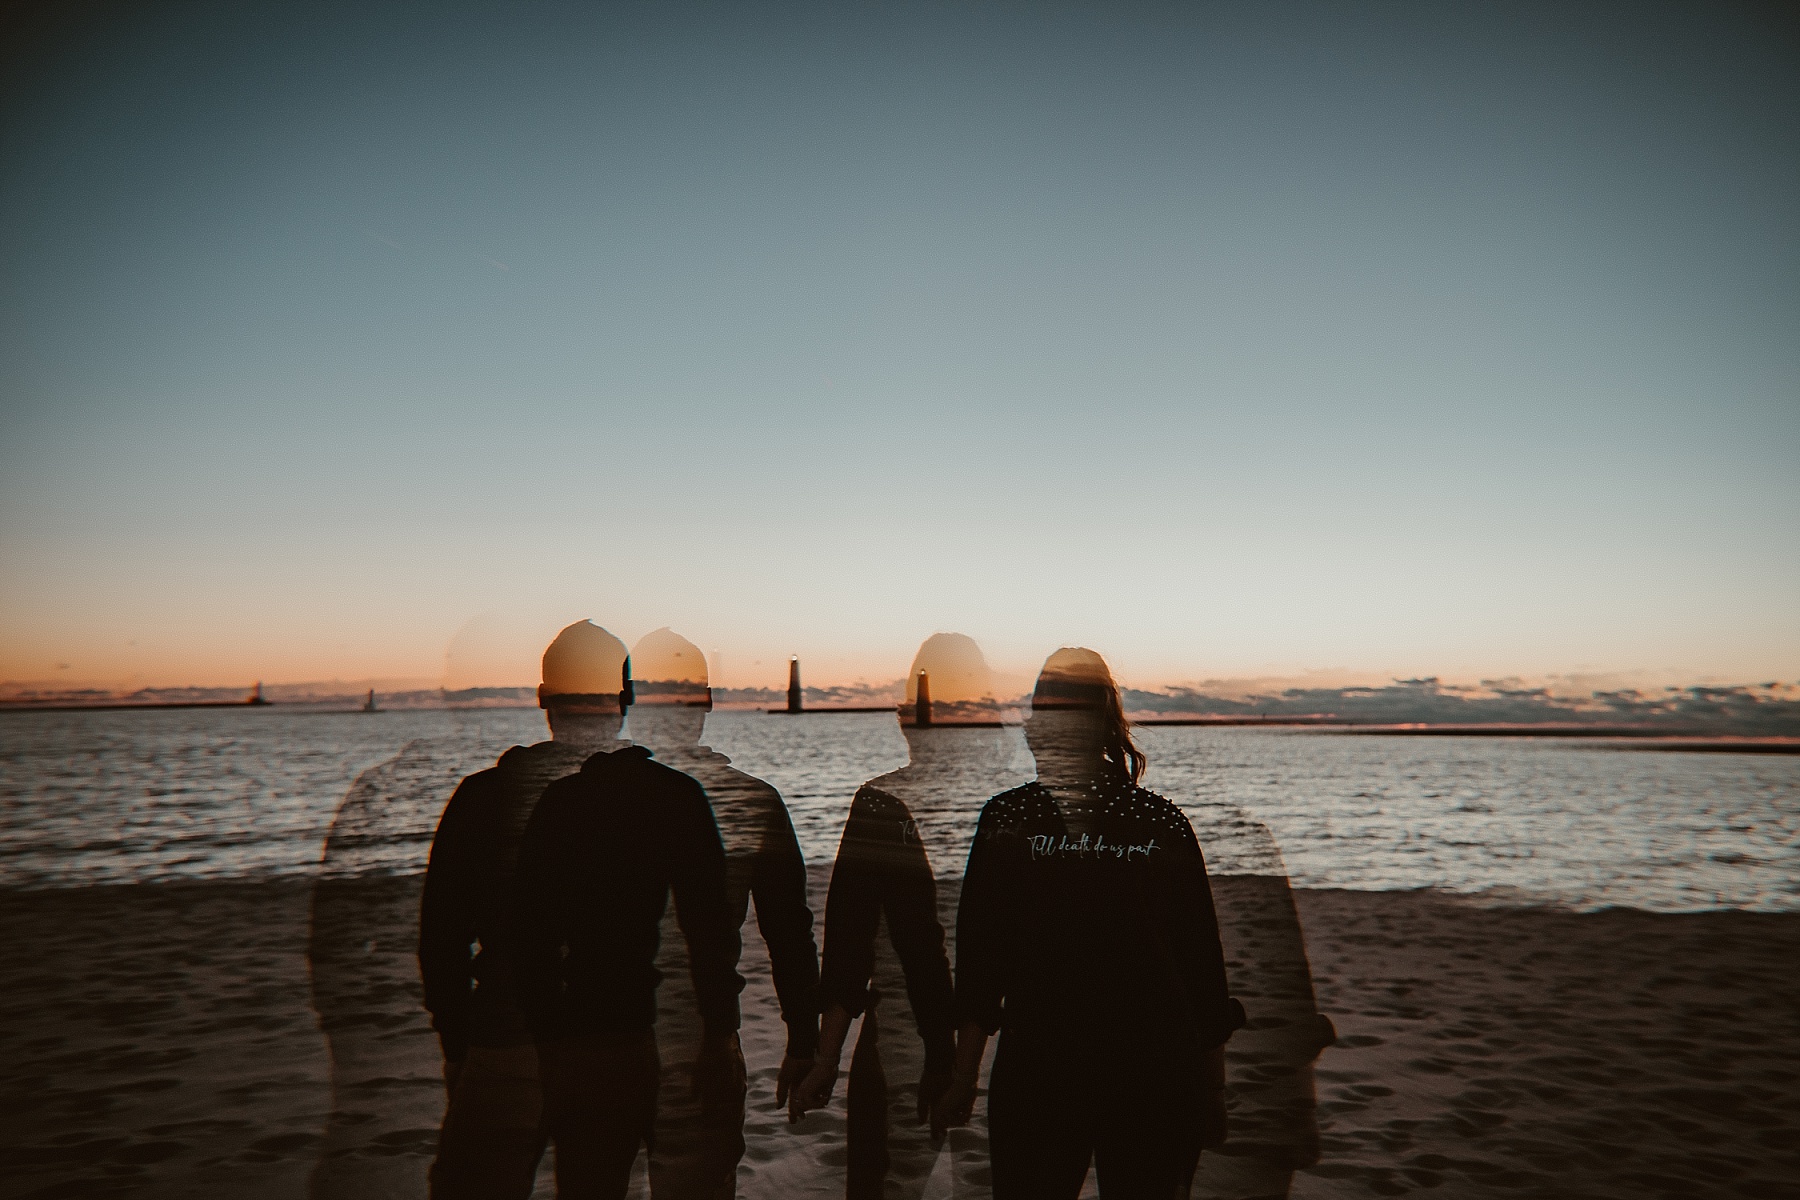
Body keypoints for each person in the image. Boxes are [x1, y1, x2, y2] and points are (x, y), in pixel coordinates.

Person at [932, 648, 1246, 1200]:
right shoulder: (1162, 820)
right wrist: (1213, 1087)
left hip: (1044, 1066)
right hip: (1152, 1065)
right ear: (1107, 725)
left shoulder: (1008, 821)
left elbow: (981, 964)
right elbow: (1202, 966)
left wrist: (964, 1075)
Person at [508, 634, 747, 1200]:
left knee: (590, 1180)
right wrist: (720, 1034)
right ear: (627, 699)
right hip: (623, 1030)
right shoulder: (676, 796)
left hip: (578, 1035)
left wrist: (541, 1032)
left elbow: (527, 934)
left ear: (546, 699)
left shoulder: (552, 801)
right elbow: (709, 931)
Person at [789, 633, 1024, 1199]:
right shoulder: (1014, 808)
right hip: (1012, 1053)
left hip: (908, 1046)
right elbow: (1001, 947)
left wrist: (826, 1059)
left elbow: (849, 944)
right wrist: (969, 1070)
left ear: (907, 716)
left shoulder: (881, 802)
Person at [418, 620, 633, 1198]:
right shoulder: (652, 803)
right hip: (610, 1039)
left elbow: (441, 935)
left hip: (505, 1035)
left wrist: (458, 1041)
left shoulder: (485, 796)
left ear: (544, 700)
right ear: (625, 700)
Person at [624, 628, 821, 1199]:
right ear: (707, 703)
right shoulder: (752, 799)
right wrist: (803, 1041)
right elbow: (789, 934)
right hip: (701, 1040)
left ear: (629, 705)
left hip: (595, 1036)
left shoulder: (588, 799)